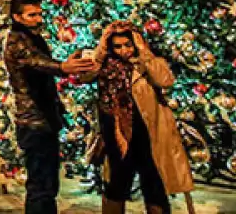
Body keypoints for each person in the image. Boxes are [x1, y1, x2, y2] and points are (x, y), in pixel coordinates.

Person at [81, 23, 193, 214]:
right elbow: (85, 76)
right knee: (117, 182)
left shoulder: (147, 62)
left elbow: (165, 80)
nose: (124, 50)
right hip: (117, 134)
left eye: (128, 45)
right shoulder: (103, 63)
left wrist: (143, 52)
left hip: (148, 132)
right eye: (118, 46)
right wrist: (101, 47)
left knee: (154, 182)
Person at [4, 0, 95, 214]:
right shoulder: (17, 40)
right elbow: (34, 62)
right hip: (33, 122)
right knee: (40, 186)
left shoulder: (33, 38)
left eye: (39, 14)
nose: (38, 19)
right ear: (17, 17)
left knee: (48, 184)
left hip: (44, 119)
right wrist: (63, 67)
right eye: (31, 15)